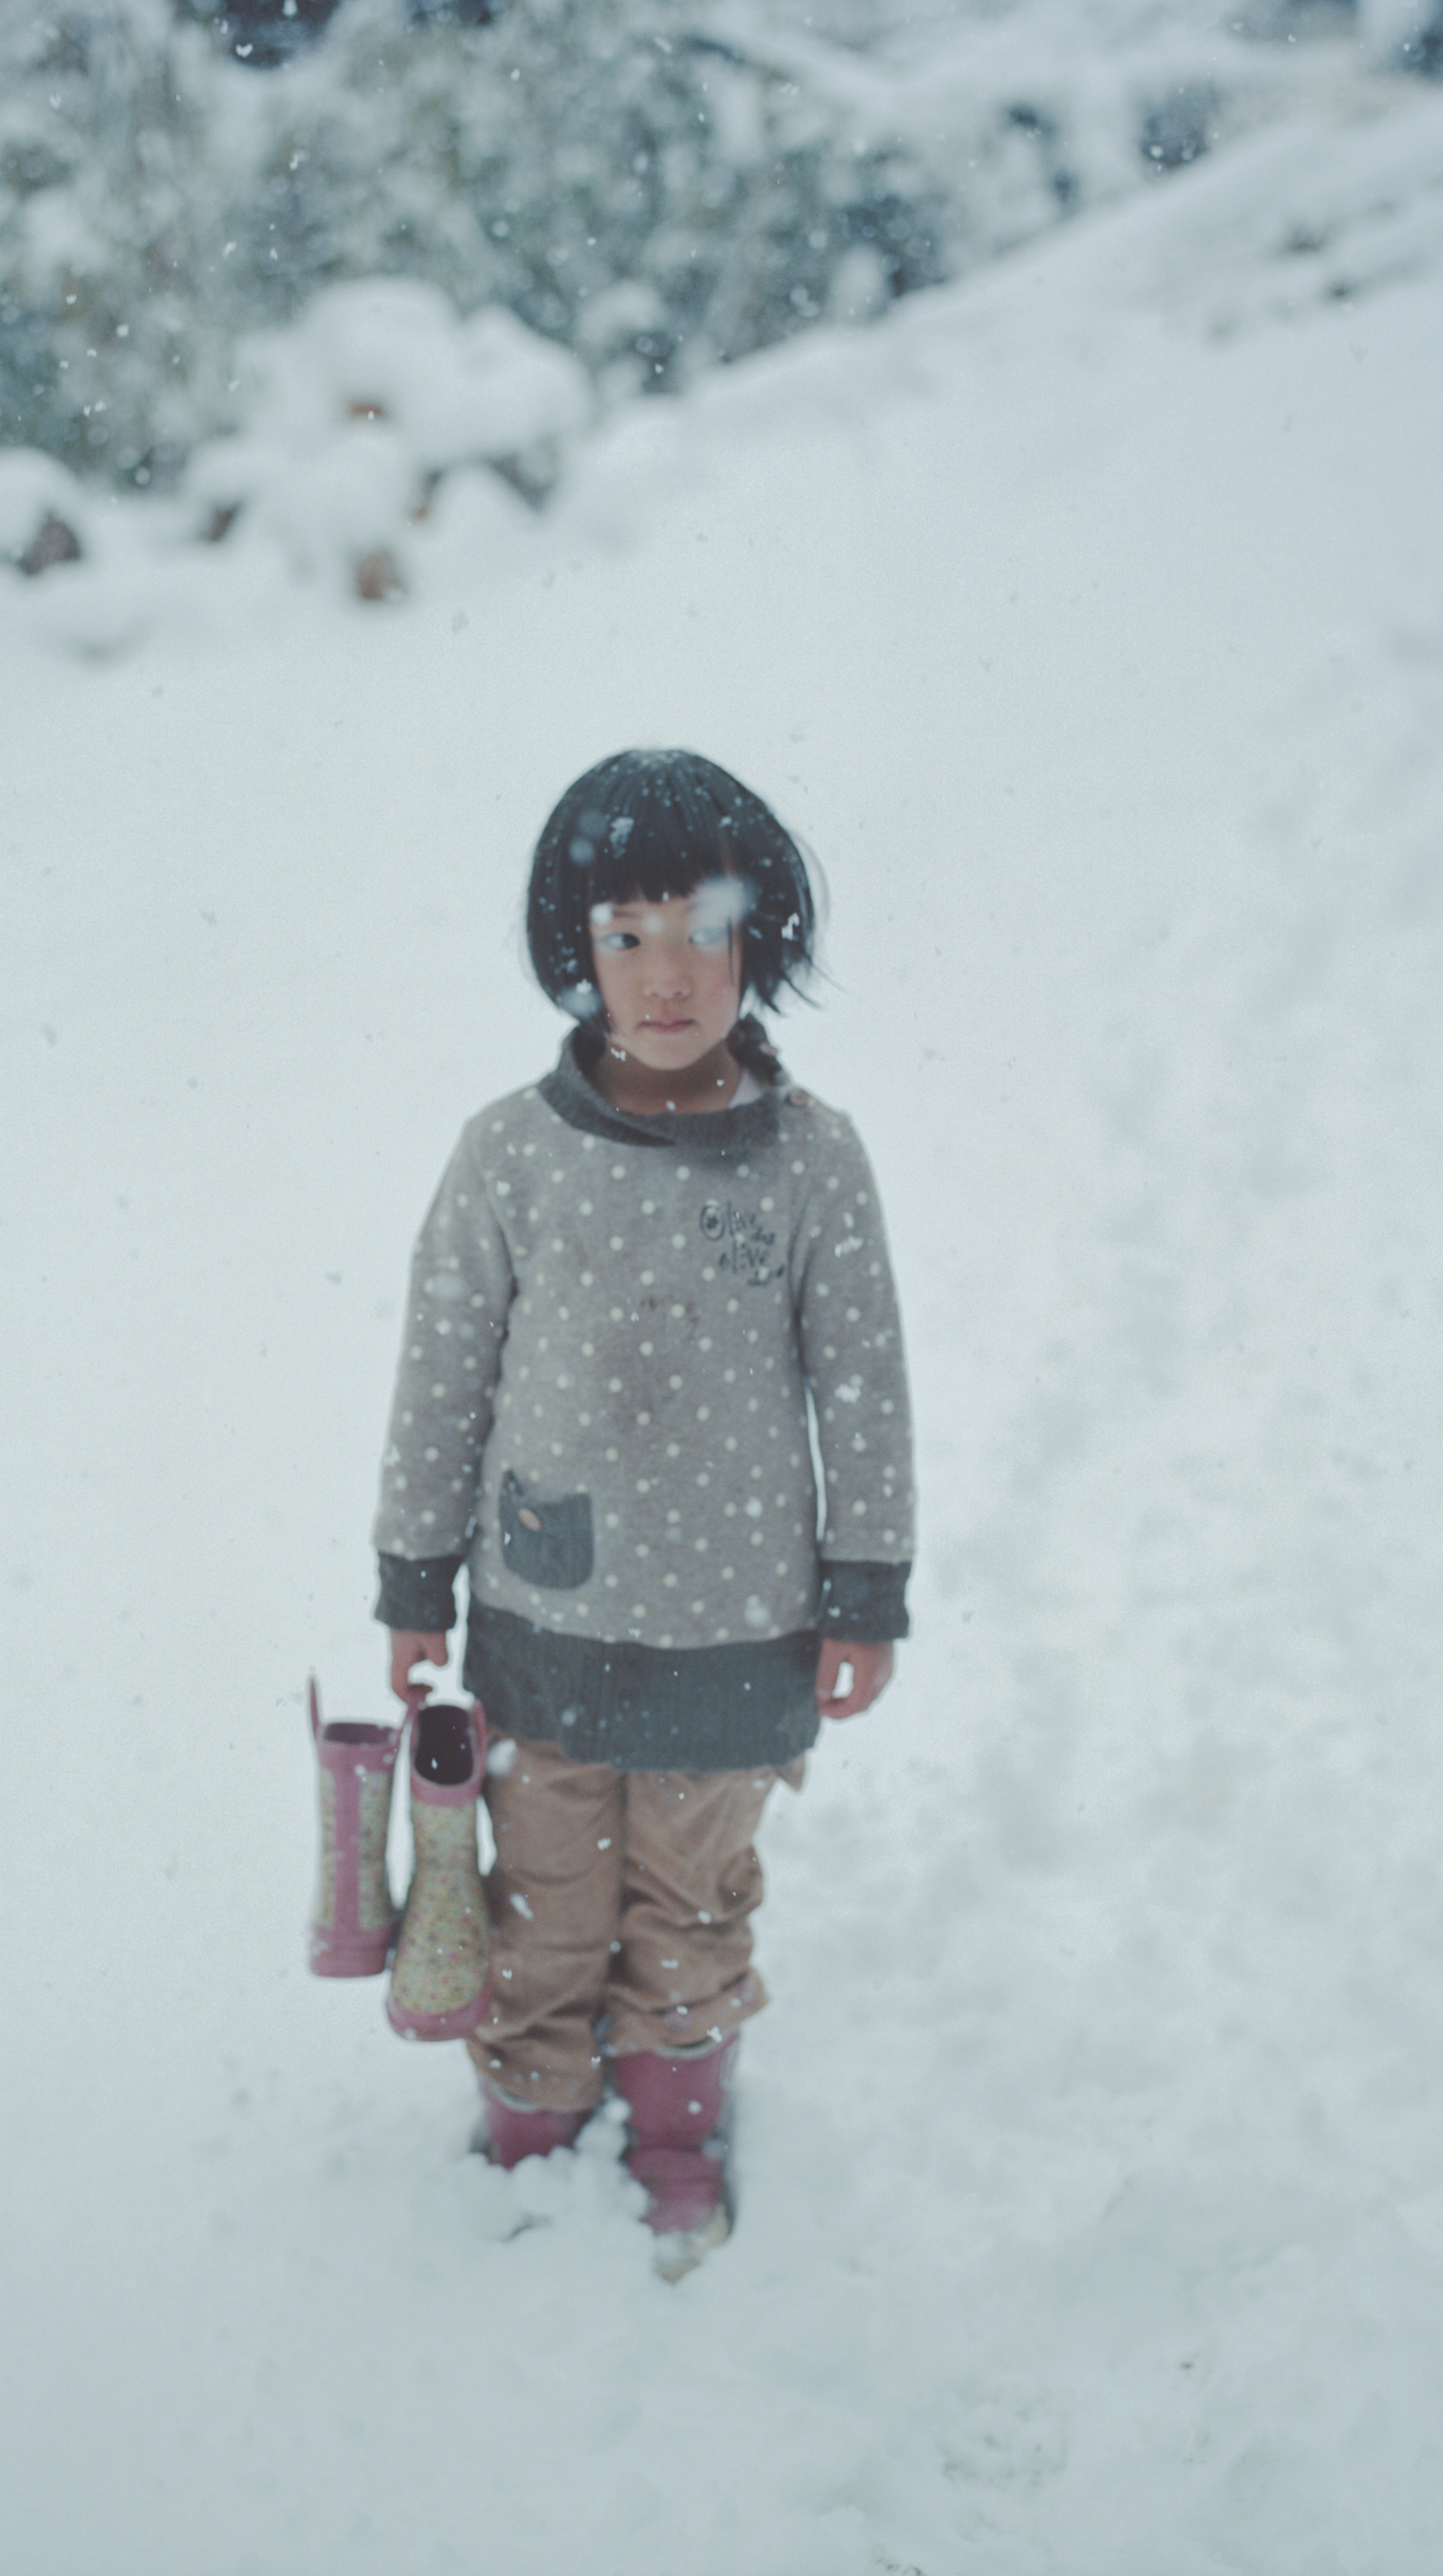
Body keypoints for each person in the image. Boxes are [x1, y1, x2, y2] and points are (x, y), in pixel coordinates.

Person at [373, 746, 915, 2275]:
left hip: (742, 1630)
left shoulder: (812, 1159)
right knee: (542, 1905)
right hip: (544, 1623)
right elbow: (440, 1380)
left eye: (703, 930)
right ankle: (534, 2113)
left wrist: (864, 1592)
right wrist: (415, 1577)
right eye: (624, 935)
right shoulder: (510, 1155)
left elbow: (860, 1386)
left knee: (688, 1903)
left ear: (764, 944)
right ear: (575, 953)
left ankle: (674, 2124)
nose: (665, 973)